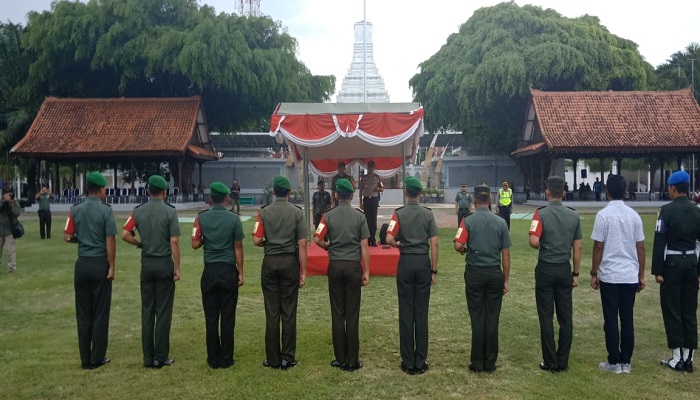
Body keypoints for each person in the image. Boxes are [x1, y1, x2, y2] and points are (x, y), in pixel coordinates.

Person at [122, 175, 181, 369]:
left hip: (146, 263)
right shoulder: (170, 212)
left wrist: (140, 244)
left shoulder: (138, 211)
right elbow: (174, 241)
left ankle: (148, 358)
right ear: (164, 192)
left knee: (147, 311)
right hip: (164, 263)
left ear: (148, 191)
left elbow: (125, 234)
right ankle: (161, 356)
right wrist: (177, 267)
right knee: (163, 312)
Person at [590, 175, 645, 374]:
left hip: (610, 275)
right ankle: (626, 362)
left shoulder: (603, 215)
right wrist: (640, 275)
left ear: (607, 191)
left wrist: (594, 272)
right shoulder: (634, 215)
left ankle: (614, 360)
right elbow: (641, 248)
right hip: (629, 274)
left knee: (611, 319)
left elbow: (598, 246)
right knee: (627, 318)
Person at [314, 178, 370, 371]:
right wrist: (367, 270)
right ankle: (352, 360)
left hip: (335, 265)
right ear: (353, 195)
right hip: (354, 265)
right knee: (352, 314)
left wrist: (327, 246)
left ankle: (340, 358)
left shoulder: (328, 216)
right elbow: (364, 245)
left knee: (338, 313)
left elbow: (317, 238)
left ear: (336, 195)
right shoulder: (359, 216)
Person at [252, 175, 308, 370]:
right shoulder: (297, 213)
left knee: (272, 311)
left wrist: (270, 243)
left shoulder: (264, 212)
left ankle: (273, 358)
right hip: (290, 262)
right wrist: (304, 271)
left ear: (274, 192)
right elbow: (302, 244)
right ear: (290, 193)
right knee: (289, 311)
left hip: (270, 262)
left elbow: (256, 240)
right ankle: (288, 357)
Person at [453, 184, 510, 373]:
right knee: (492, 318)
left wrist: (467, 249)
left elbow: (458, 245)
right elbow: (506, 256)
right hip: (495, 273)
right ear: (491, 200)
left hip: (475, 273)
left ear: (474, 201)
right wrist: (506, 280)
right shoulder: (501, 222)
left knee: (477, 318)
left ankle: (477, 362)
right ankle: (490, 361)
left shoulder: (468, 221)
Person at [386, 176, 439, 375]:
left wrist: (399, 244)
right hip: (423, 263)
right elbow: (434, 244)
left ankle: (408, 360)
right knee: (421, 312)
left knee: (406, 311)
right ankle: (420, 359)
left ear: (406, 193)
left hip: (406, 262)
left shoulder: (399, 214)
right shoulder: (428, 214)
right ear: (420, 194)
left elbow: (389, 237)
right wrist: (434, 270)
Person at [528, 175, 582, 372]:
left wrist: (545, 245)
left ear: (547, 192)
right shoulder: (574, 216)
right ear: (564, 194)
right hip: (564, 268)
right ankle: (563, 360)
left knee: (546, 315)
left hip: (545, 267)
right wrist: (575, 273)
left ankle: (550, 361)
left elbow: (534, 241)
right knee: (565, 317)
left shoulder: (540, 214)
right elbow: (578, 249)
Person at [63, 172, 116, 370]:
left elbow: (67, 236)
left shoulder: (75, 209)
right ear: (102, 190)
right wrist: (112, 266)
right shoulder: (106, 211)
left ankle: (85, 358)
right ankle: (97, 357)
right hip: (99, 263)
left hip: (82, 263)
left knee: (83, 312)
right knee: (101, 312)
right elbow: (110, 239)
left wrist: (81, 240)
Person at [192, 182, 245, 369]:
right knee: (228, 316)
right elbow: (238, 246)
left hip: (210, 271)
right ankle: (226, 358)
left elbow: (195, 244)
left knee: (211, 317)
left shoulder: (201, 218)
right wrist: (241, 272)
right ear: (226, 198)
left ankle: (213, 358)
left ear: (210, 198)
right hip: (228, 270)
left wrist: (207, 239)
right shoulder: (234, 219)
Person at [652, 170, 700, 372]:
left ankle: (677, 357)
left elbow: (659, 240)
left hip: (672, 262)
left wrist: (657, 270)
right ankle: (689, 357)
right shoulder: (697, 211)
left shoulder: (666, 211)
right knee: (690, 309)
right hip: (691, 261)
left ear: (673, 187)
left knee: (672, 309)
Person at [359, 160, 383, 246]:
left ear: (374, 167)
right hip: (366, 199)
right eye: (369, 166)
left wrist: (379, 189)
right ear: (368, 167)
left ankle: (373, 239)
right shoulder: (364, 177)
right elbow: (361, 190)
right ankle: (368, 239)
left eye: (372, 166)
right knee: (367, 219)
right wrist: (360, 203)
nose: (371, 168)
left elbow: (382, 188)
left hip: (374, 199)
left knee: (373, 219)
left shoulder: (377, 177)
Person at [0, 187, 20, 273]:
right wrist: (3, 203)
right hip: (0, 230)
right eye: (5, 194)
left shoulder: (14, 203)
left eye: (8, 194)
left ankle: (12, 268)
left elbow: (17, 213)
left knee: (10, 251)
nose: (6, 196)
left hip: (9, 230)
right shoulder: (1, 203)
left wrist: (10, 203)